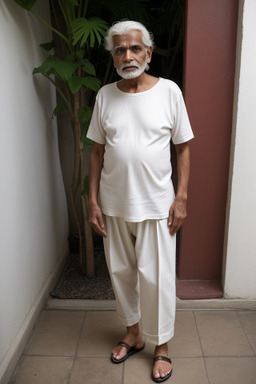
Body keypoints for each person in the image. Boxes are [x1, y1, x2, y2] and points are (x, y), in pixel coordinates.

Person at [87, 20, 194, 383]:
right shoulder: (105, 95)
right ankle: (133, 334)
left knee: (157, 279)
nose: (127, 55)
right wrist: (92, 201)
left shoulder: (169, 92)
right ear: (113, 56)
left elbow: (183, 149)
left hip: (157, 205)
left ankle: (160, 345)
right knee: (121, 275)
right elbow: (97, 152)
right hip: (114, 203)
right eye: (120, 49)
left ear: (148, 52)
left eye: (135, 48)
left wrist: (181, 198)